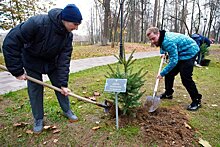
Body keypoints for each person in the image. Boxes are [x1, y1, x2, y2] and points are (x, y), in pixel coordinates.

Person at [2, 4, 82, 133]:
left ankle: (67, 110)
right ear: (65, 20)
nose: (76, 28)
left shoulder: (68, 35)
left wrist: (63, 83)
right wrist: (17, 70)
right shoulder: (37, 23)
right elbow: (11, 42)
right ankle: (38, 119)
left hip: (53, 63)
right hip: (32, 61)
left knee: (61, 89)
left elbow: (64, 59)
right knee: (35, 90)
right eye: (75, 24)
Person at [146, 27, 202, 111]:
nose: (152, 41)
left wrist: (162, 73)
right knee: (169, 73)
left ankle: (196, 100)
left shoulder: (168, 41)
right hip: (180, 52)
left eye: (153, 39)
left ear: (158, 34)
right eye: (150, 40)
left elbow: (173, 61)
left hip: (190, 51)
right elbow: (161, 44)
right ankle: (168, 93)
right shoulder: (162, 37)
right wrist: (162, 52)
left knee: (186, 78)